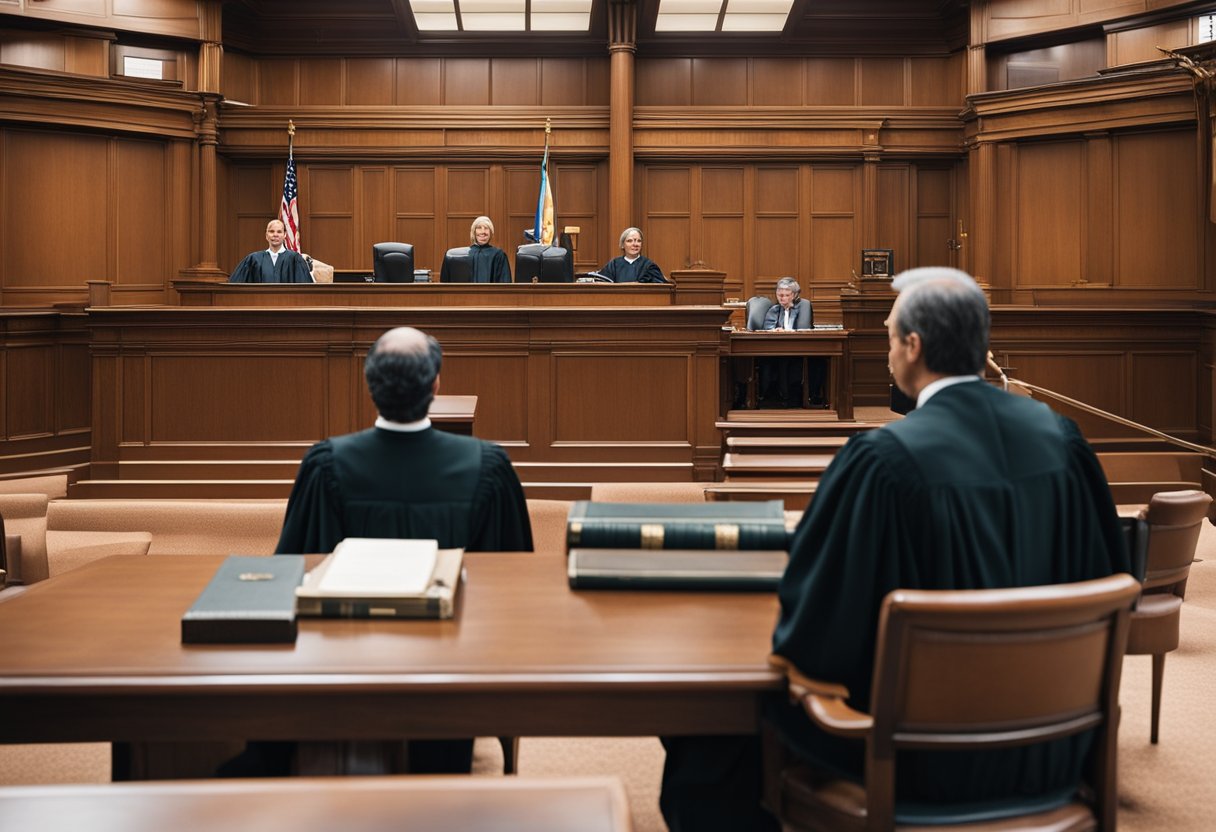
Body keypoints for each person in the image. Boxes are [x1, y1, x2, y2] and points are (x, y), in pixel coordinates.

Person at [660, 267, 1130, 831]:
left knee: (707, 728)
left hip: (916, 758)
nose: (886, 352)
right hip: (1056, 743)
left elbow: (814, 637)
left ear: (913, 346)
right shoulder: (1064, 441)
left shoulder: (882, 462)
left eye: (888, 338)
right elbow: (1110, 584)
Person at [224, 327, 533, 778]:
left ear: (371, 388)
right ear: (435, 385)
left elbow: (292, 570)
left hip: (342, 671)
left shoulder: (325, 465)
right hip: (450, 676)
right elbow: (513, 581)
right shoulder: (488, 467)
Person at [757, 277, 825, 408]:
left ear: (794, 295)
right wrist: (774, 330)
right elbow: (767, 328)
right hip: (775, 348)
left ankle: (797, 397)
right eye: (780, 295)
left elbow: (804, 329)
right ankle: (774, 396)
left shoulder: (803, 308)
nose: (782, 298)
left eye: (786, 295)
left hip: (799, 347)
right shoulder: (774, 310)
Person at [228, 219, 314, 283]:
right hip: (260, 305)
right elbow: (235, 284)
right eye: (271, 231)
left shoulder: (295, 259)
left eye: (279, 232)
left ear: (284, 235)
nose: (275, 235)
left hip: (288, 305)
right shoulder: (254, 259)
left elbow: (305, 288)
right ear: (266, 235)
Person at [442, 216, 511, 283]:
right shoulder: (456, 256)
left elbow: (505, 285)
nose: (483, 232)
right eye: (479, 228)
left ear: (491, 233)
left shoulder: (498, 255)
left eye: (486, 228)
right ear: (474, 232)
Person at [598, 227, 666, 283]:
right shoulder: (614, 264)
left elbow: (660, 287)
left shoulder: (649, 266)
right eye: (630, 241)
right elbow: (602, 282)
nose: (635, 244)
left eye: (638, 241)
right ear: (622, 245)